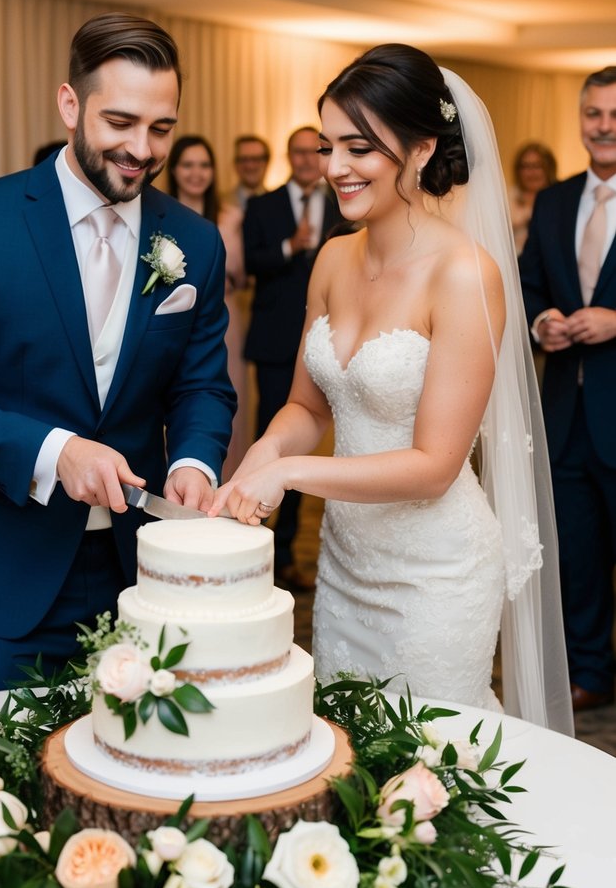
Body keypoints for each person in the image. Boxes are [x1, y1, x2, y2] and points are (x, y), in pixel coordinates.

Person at [212, 45, 572, 734]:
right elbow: (305, 406)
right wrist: (254, 465)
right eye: (327, 146)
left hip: (435, 573)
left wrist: (288, 474)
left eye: (359, 147)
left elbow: (435, 467)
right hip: (346, 561)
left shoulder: (465, 275)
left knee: (427, 769)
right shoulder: (331, 257)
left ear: (418, 149)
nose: (334, 167)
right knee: (350, 763)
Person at [0, 14, 236, 696]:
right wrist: (56, 452)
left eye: (161, 128)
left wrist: (194, 460)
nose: (142, 148)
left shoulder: (193, 242)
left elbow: (201, 385)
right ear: (69, 105)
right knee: (1, 789)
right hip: (2, 575)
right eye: (120, 122)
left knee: (131, 784)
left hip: (141, 577)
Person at [519, 66, 616, 713]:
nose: (603, 126)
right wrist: (540, 320)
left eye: (613, 114)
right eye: (592, 114)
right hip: (564, 410)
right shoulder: (552, 201)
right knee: (576, 550)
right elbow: (527, 284)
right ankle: (589, 670)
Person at [242, 126, 348, 587]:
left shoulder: (343, 201)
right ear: (288, 156)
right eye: (300, 153)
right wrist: (291, 247)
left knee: (316, 439)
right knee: (273, 433)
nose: (308, 160)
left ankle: (286, 552)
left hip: (327, 344)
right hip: (274, 339)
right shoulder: (263, 205)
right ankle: (256, 544)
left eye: (316, 152)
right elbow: (251, 262)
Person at [167, 134, 249, 476]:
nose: (196, 173)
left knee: (224, 398)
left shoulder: (230, 216)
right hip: (171, 319)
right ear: (174, 170)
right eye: (188, 165)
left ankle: (225, 484)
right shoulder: (161, 214)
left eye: (204, 165)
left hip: (224, 316)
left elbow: (242, 276)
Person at [508, 141, 557, 254]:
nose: (531, 172)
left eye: (537, 166)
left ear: (548, 168)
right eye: (526, 166)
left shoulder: (560, 198)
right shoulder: (508, 198)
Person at [224, 134, 271, 211]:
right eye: (243, 159)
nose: (250, 166)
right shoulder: (218, 203)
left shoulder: (279, 204)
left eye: (256, 159)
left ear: (266, 163)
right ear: (235, 163)